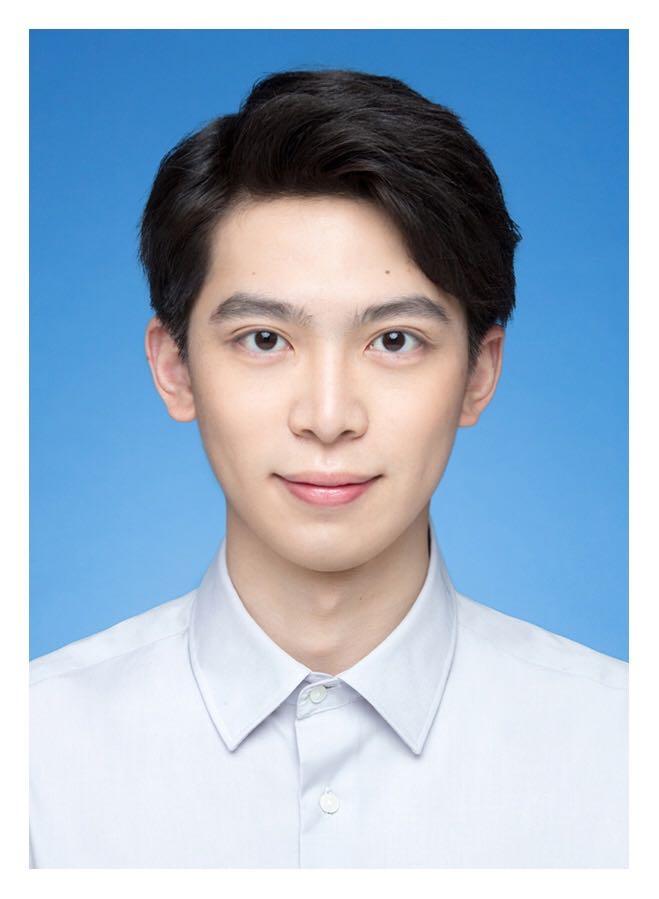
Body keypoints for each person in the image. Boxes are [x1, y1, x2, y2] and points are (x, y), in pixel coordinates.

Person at [29, 68, 627, 868]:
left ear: (478, 374)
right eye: (264, 339)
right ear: (174, 368)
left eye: (394, 341)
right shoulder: (32, 756)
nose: (327, 415)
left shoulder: (623, 753)